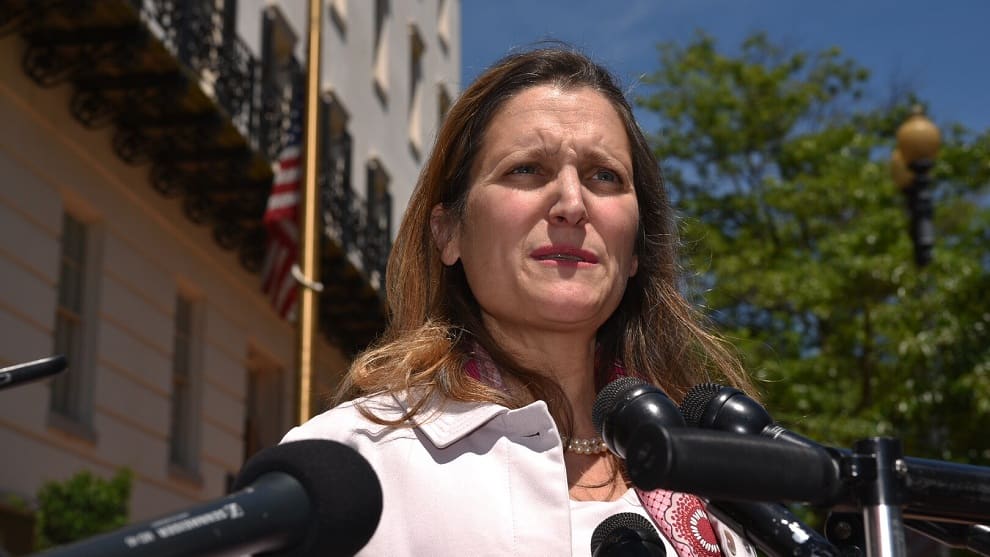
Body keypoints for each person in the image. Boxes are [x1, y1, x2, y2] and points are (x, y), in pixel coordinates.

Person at [281, 45, 757, 556]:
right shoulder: (348, 468)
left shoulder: (721, 487)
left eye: (604, 176)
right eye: (527, 169)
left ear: (636, 249)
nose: (572, 204)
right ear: (449, 232)